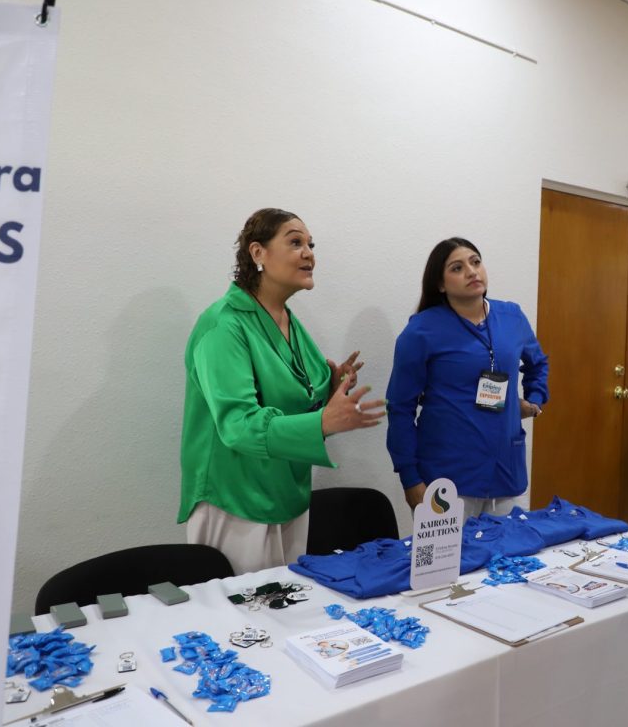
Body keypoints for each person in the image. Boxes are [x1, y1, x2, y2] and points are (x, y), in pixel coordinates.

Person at [178, 208, 386, 574]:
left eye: (311, 245)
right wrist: (323, 421)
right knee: (242, 610)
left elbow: (299, 401)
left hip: (288, 493)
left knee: (290, 605)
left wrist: (331, 390)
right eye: (295, 242)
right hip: (236, 499)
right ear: (258, 253)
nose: (309, 253)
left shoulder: (288, 320)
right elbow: (238, 425)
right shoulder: (222, 325)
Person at [386, 238, 548, 518]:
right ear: (440, 284)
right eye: (457, 268)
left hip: (506, 473)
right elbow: (400, 408)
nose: (472, 272)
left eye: (475, 262)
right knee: (452, 551)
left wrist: (534, 400)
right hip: (446, 478)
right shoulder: (422, 331)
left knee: (512, 546)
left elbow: (538, 363)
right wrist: (410, 478)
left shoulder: (511, 316)